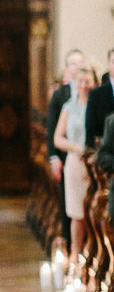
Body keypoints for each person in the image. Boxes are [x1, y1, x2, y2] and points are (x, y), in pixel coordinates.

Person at [54, 64, 97, 269]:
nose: (84, 85)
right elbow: (57, 138)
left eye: (87, 81)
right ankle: (75, 254)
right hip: (74, 162)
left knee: (93, 211)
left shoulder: (98, 106)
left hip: (93, 164)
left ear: (94, 83)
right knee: (76, 212)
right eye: (80, 81)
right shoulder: (69, 107)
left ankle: (93, 252)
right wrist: (75, 147)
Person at [46, 48, 85, 248]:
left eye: (80, 63)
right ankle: (70, 246)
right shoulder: (62, 94)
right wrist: (54, 158)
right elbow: (51, 127)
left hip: (87, 158)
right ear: (67, 68)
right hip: (67, 157)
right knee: (69, 205)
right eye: (73, 64)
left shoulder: (92, 93)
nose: (77, 67)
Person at [85, 46, 114, 149]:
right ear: (108, 64)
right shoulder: (96, 94)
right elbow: (90, 128)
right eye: (113, 62)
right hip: (105, 153)